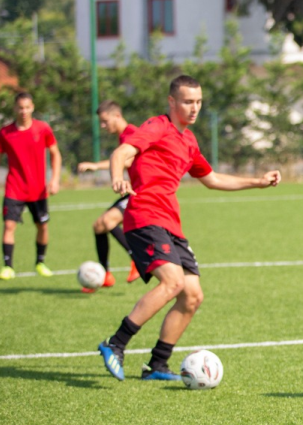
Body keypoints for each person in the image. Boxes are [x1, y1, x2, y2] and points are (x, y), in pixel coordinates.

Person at [97, 75, 281, 381]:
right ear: (172, 102)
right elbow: (122, 153)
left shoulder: (189, 141)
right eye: (187, 102)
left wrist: (258, 182)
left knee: (192, 295)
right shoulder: (157, 126)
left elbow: (212, 179)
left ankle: (157, 365)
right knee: (173, 283)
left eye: (198, 102)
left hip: (170, 222)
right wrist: (118, 176)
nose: (194, 108)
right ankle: (115, 344)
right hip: (145, 216)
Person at [0, 92, 62, 280]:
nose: (23, 111)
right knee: (9, 225)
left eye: (27, 107)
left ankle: (40, 262)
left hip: (38, 190)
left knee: (42, 227)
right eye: (20, 107)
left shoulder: (42, 129)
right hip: (14, 188)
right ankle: (8, 267)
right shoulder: (5, 133)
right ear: (15, 108)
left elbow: (55, 154)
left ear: (32, 107)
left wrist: (54, 179)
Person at [77, 100, 141, 292]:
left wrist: (96, 166)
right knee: (99, 226)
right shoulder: (124, 136)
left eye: (105, 121)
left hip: (141, 191)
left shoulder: (131, 134)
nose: (103, 126)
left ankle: (136, 259)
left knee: (108, 221)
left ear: (117, 116)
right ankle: (105, 275)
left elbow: (127, 161)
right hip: (132, 190)